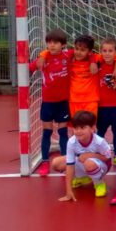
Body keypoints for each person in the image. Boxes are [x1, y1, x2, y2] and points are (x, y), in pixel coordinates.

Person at [29, 29, 71, 176]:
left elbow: (86, 53)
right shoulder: (43, 58)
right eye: (49, 42)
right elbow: (29, 68)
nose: (52, 45)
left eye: (56, 42)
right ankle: (45, 162)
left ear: (63, 44)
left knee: (63, 132)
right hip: (48, 102)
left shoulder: (68, 56)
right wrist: (42, 56)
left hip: (63, 102)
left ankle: (65, 162)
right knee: (47, 132)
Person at [51, 110, 113, 201]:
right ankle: (83, 177)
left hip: (102, 165)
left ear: (92, 128)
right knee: (56, 163)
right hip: (84, 162)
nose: (78, 131)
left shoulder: (99, 142)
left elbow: (108, 159)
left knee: (89, 163)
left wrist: (90, 155)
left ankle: (99, 183)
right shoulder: (72, 142)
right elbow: (70, 165)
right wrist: (68, 191)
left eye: (83, 127)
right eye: (76, 128)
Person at [96, 38, 116, 155]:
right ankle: (100, 155)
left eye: (110, 51)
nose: (107, 53)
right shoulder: (98, 64)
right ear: (101, 52)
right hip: (102, 106)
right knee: (101, 132)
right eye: (104, 51)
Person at [68, 34, 101, 119]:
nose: (78, 52)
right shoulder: (70, 60)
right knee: (76, 126)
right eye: (76, 49)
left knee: (90, 125)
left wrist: (92, 60)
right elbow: (56, 53)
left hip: (91, 100)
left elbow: (114, 56)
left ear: (89, 52)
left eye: (82, 50)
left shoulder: (96, 59)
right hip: (74, 100)